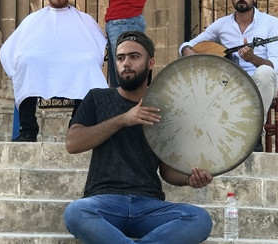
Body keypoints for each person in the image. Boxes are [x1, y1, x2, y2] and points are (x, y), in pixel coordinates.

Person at [63, 31, 213, 244]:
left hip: (149, 206)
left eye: (134, 56)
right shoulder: (97, 98)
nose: (126, 63)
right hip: (104, 203)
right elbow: (73, 143)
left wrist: (190, 179)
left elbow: (168, 171)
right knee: (75, 212)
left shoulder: (164, 108)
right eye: (121, 57)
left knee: (199, 219)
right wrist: (123, 119)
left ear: (151, 62)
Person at [0, 0, 108, 142]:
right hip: (40, 68)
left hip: (74, 68)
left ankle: (77, 126)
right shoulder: (33, 19)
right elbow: (11, 49)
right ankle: (28, 130)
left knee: (88, 66)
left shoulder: (84, 20)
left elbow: (96, 50)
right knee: (26, 62)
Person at [179, 0, 278, 151]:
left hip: (262, 84)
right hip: (230, 84)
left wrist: (253, 58)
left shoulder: (271, 23)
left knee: (265, 72)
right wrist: (188, 52)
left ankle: (253, 133)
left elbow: (276, 65)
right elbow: (188, 44)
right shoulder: (222, 25)